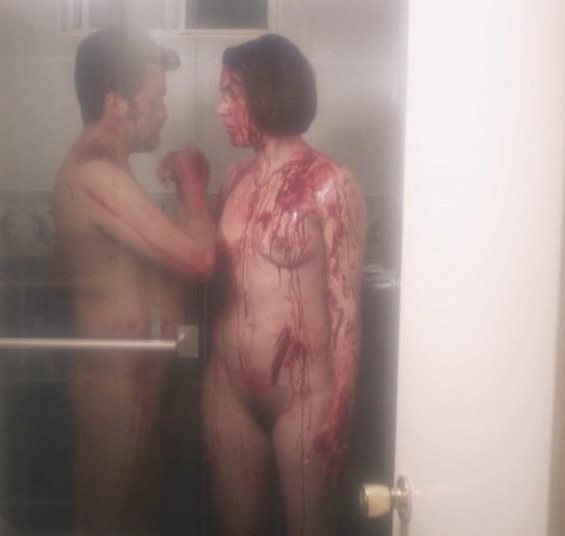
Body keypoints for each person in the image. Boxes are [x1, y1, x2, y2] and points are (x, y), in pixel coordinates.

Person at [52, 26, 216, 533]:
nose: (164, 112)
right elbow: (198, 260)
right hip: (111, 393)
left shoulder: (114, 174)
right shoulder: (93, 175)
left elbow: (159, 274)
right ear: (116, 103)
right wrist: (193, 182)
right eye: (156, 98)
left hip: (133, 388)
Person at [204, 34, 366, 536]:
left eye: (232, 93)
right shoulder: (235, 177)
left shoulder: (331, 183)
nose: (220, 108)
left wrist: (342, 408)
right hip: (228, 386)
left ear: (268, 93)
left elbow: (346, 307)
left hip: (303, 395)